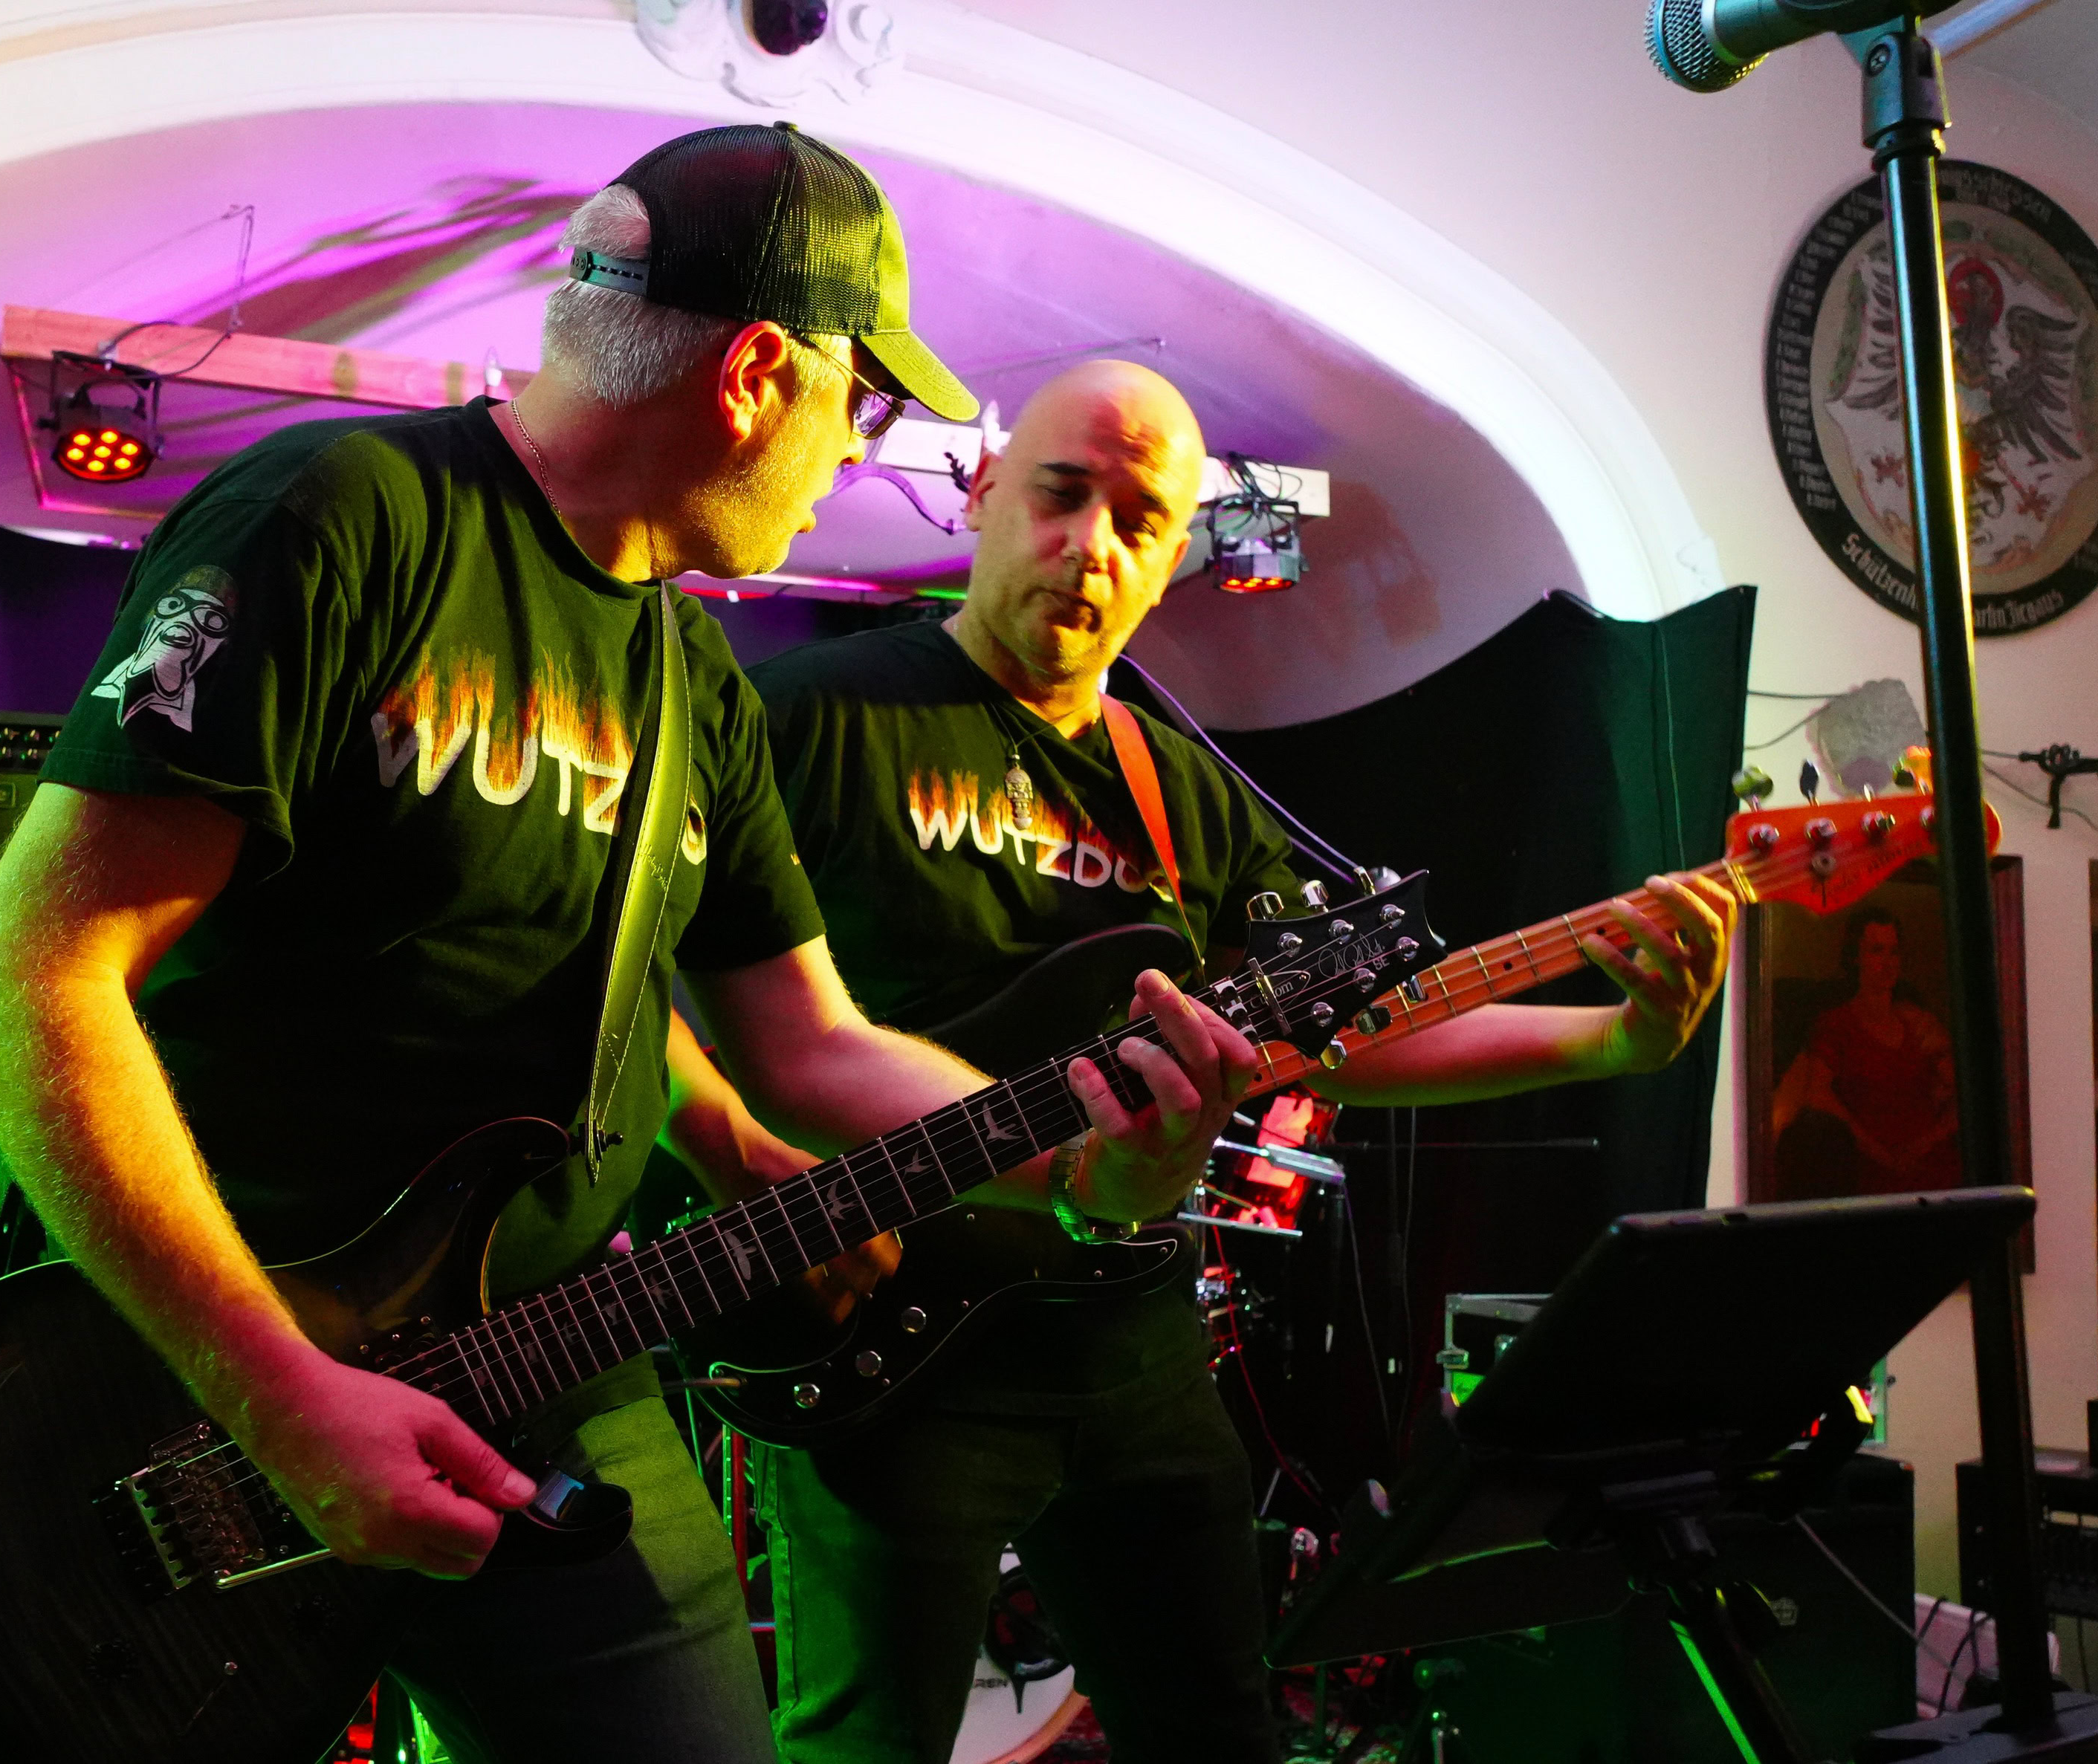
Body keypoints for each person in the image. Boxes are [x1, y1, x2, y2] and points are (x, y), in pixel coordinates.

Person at [0, 128, 1257, 1764]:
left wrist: (1061, 1151)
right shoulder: (341, 518)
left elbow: (810, 1039)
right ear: (758, 375)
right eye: (860, 406)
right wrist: (277, 1389)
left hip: (549, 1360)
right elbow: (26, 978)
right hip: (193, 1383)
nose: (855, 460)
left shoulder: (695, 681)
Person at [659, 359, 1738, 1763]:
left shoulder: (1179, 786)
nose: (1089, 545)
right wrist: (730, 1145)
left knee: (1217, 1731)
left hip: (1129, 1341)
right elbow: (626, 964)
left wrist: (1612, 1034)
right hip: (891, 1341)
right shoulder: (808, 712)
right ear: (982, 490)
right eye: (1059, 493)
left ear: (1176, 556)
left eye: (1137, 521)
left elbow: (1344, 1035)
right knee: (870, 1746)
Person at [1770, 904, 1958, 1196]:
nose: (1887, 963)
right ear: (1856, 957)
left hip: (1932, 1165)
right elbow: (1818, 1095)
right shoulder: (1837, 1025)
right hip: (1872, 1170)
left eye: (1894, 952)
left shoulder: (1919, 1023)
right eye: (1876, 951)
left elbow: (1962, 1096)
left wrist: (1925, 1144)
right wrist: (1883, 1155)